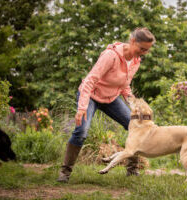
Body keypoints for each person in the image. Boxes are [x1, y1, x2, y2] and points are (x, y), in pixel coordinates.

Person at [57, 27, 155, 183]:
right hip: (91, 96)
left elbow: (125, 85)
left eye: (147, 50)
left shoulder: (136, 61)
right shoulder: (111, 56)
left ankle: (132, 170)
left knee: (136, 125)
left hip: (111, 98)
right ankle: (65, 172)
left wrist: (134, 104)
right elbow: (90, 80)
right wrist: (82, 107)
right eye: (141, 48)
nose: (143, 52)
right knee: (81, 131)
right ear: (132, 41)